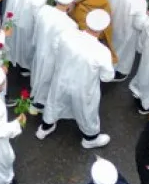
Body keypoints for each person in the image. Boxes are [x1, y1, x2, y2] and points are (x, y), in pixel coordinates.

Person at [37, 9, 115, 149]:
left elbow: (55, 49)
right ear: (103, 29)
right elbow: (107, 77)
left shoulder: (67, 35)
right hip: (84, 88)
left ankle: (45, 127)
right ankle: (90, 138)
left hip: (61, 79)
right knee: (86, 112)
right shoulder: (102, 51)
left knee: (54, 103)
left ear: (86, 22)